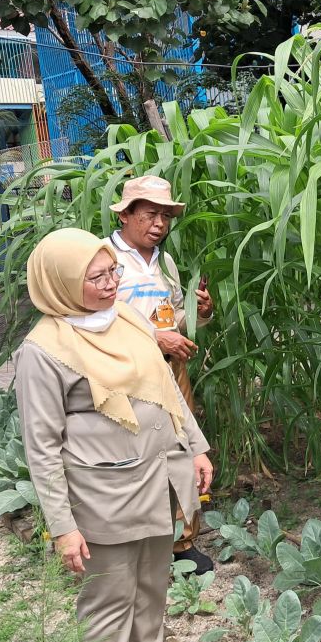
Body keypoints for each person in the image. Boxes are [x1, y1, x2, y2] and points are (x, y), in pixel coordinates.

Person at [15, 228, 213, 642]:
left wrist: (196, 448)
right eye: (96, 276)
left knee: (153, 578)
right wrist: (63, 527)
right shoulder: (45, 349)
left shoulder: (124, 316)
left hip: (156, 474)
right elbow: (41, 446)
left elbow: (164, 384)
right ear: (59, 284)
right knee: (109, 593)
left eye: (112, 272)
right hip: (101, 490)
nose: (109, 284)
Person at [104, 174, 215, 575]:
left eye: (165, 217)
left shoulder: (163, 261)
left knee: (182, 448)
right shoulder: (104, 258)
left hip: (171, 369)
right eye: (150, 214)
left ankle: (183, 544)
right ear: (125, 215)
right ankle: (137, 543)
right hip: (126, 374)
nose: (159, 224)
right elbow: (99, 316)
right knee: (134, 456)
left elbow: (173, 316)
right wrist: (154, 337)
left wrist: (199, 314)